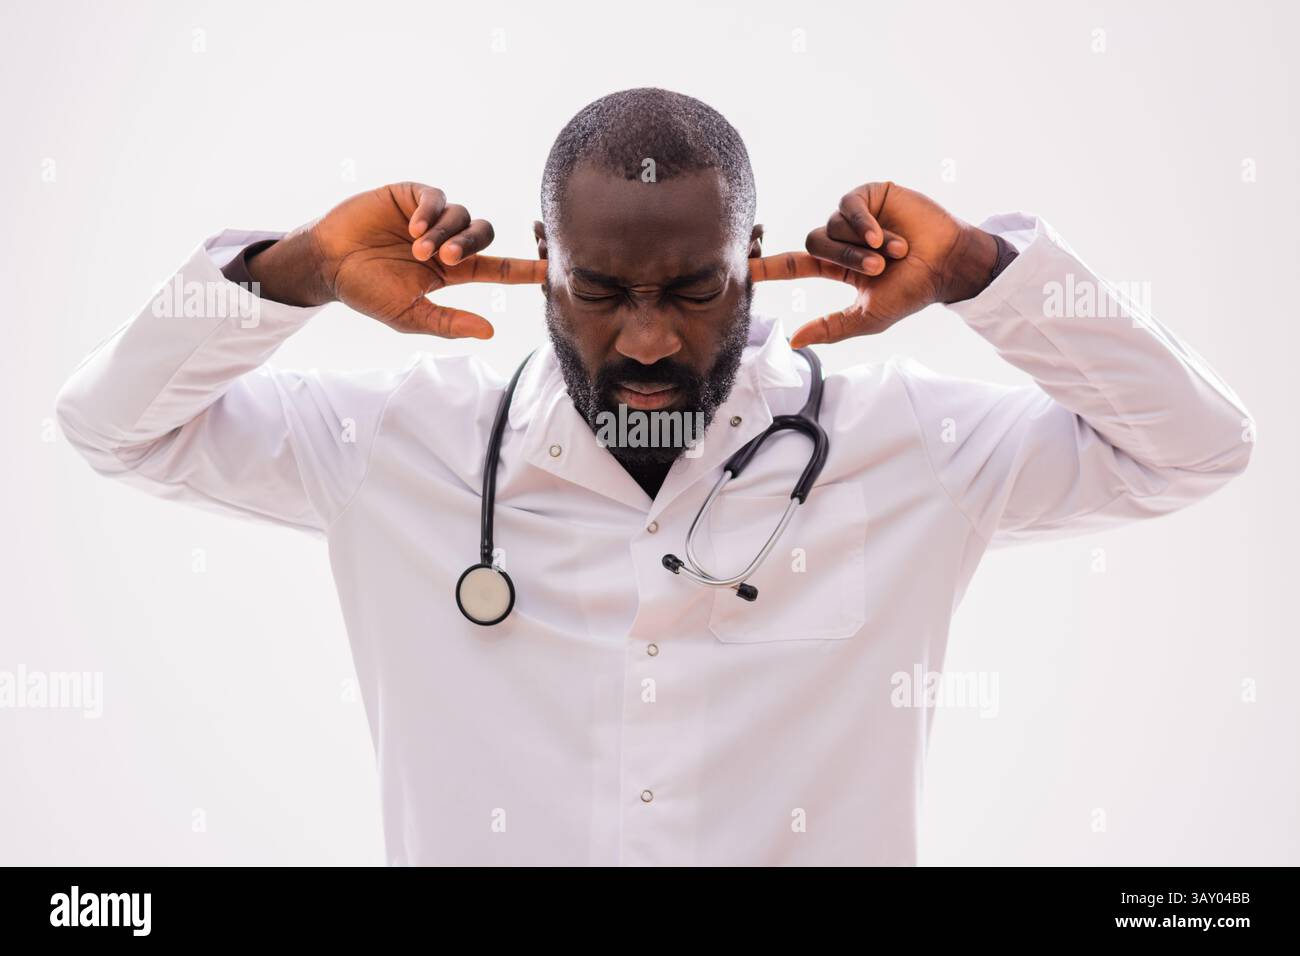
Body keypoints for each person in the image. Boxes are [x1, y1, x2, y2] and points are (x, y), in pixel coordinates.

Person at [55, 88, 1253, 865]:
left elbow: (1195, 447)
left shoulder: (908, 448)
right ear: (539, 268)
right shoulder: (392, 450)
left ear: (755, 266)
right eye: (599, 290)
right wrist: (291, 272)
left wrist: (987, 272)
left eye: (691, 292)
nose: (644, 340)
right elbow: (114, 430)